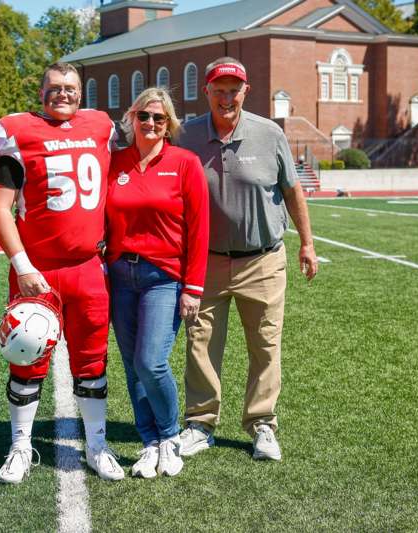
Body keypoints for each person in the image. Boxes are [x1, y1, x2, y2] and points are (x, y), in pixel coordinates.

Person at [0, 62, 124, 483]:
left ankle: (97, 445)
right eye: (54, 88)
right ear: (40, 90)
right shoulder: (18, 131)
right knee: (26, 359)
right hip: (37, 272)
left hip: (87, 267)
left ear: (81, 93)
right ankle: (20, 445)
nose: (62, 94)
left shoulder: (101, 125)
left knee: (91, 361)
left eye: (70, 88)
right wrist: (22, 265)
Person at [177, 57, 318, 462]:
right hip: (206, 261)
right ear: (206, 91)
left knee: (265, 346)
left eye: (233, 90)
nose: (226, 97)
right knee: (200, 344)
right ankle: (200, 424)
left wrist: (307, 244)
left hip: (263, 260)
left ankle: (262, 425)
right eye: (218, 90)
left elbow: (293, 192)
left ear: (246, 92)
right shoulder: (184, 136)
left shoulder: (270, 133)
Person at [105, 88, 209, 478]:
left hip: (163, 278)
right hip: (120, 277)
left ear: (170, 124)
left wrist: (193, 288)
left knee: (152, 361)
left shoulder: (185, 163)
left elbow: (200, 230)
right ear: (132, 118)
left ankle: (169, 437)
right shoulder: (115, 163)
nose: (151, 124)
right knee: (133, 367)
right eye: (144, 116)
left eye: (159, 118)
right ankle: (149, 442)